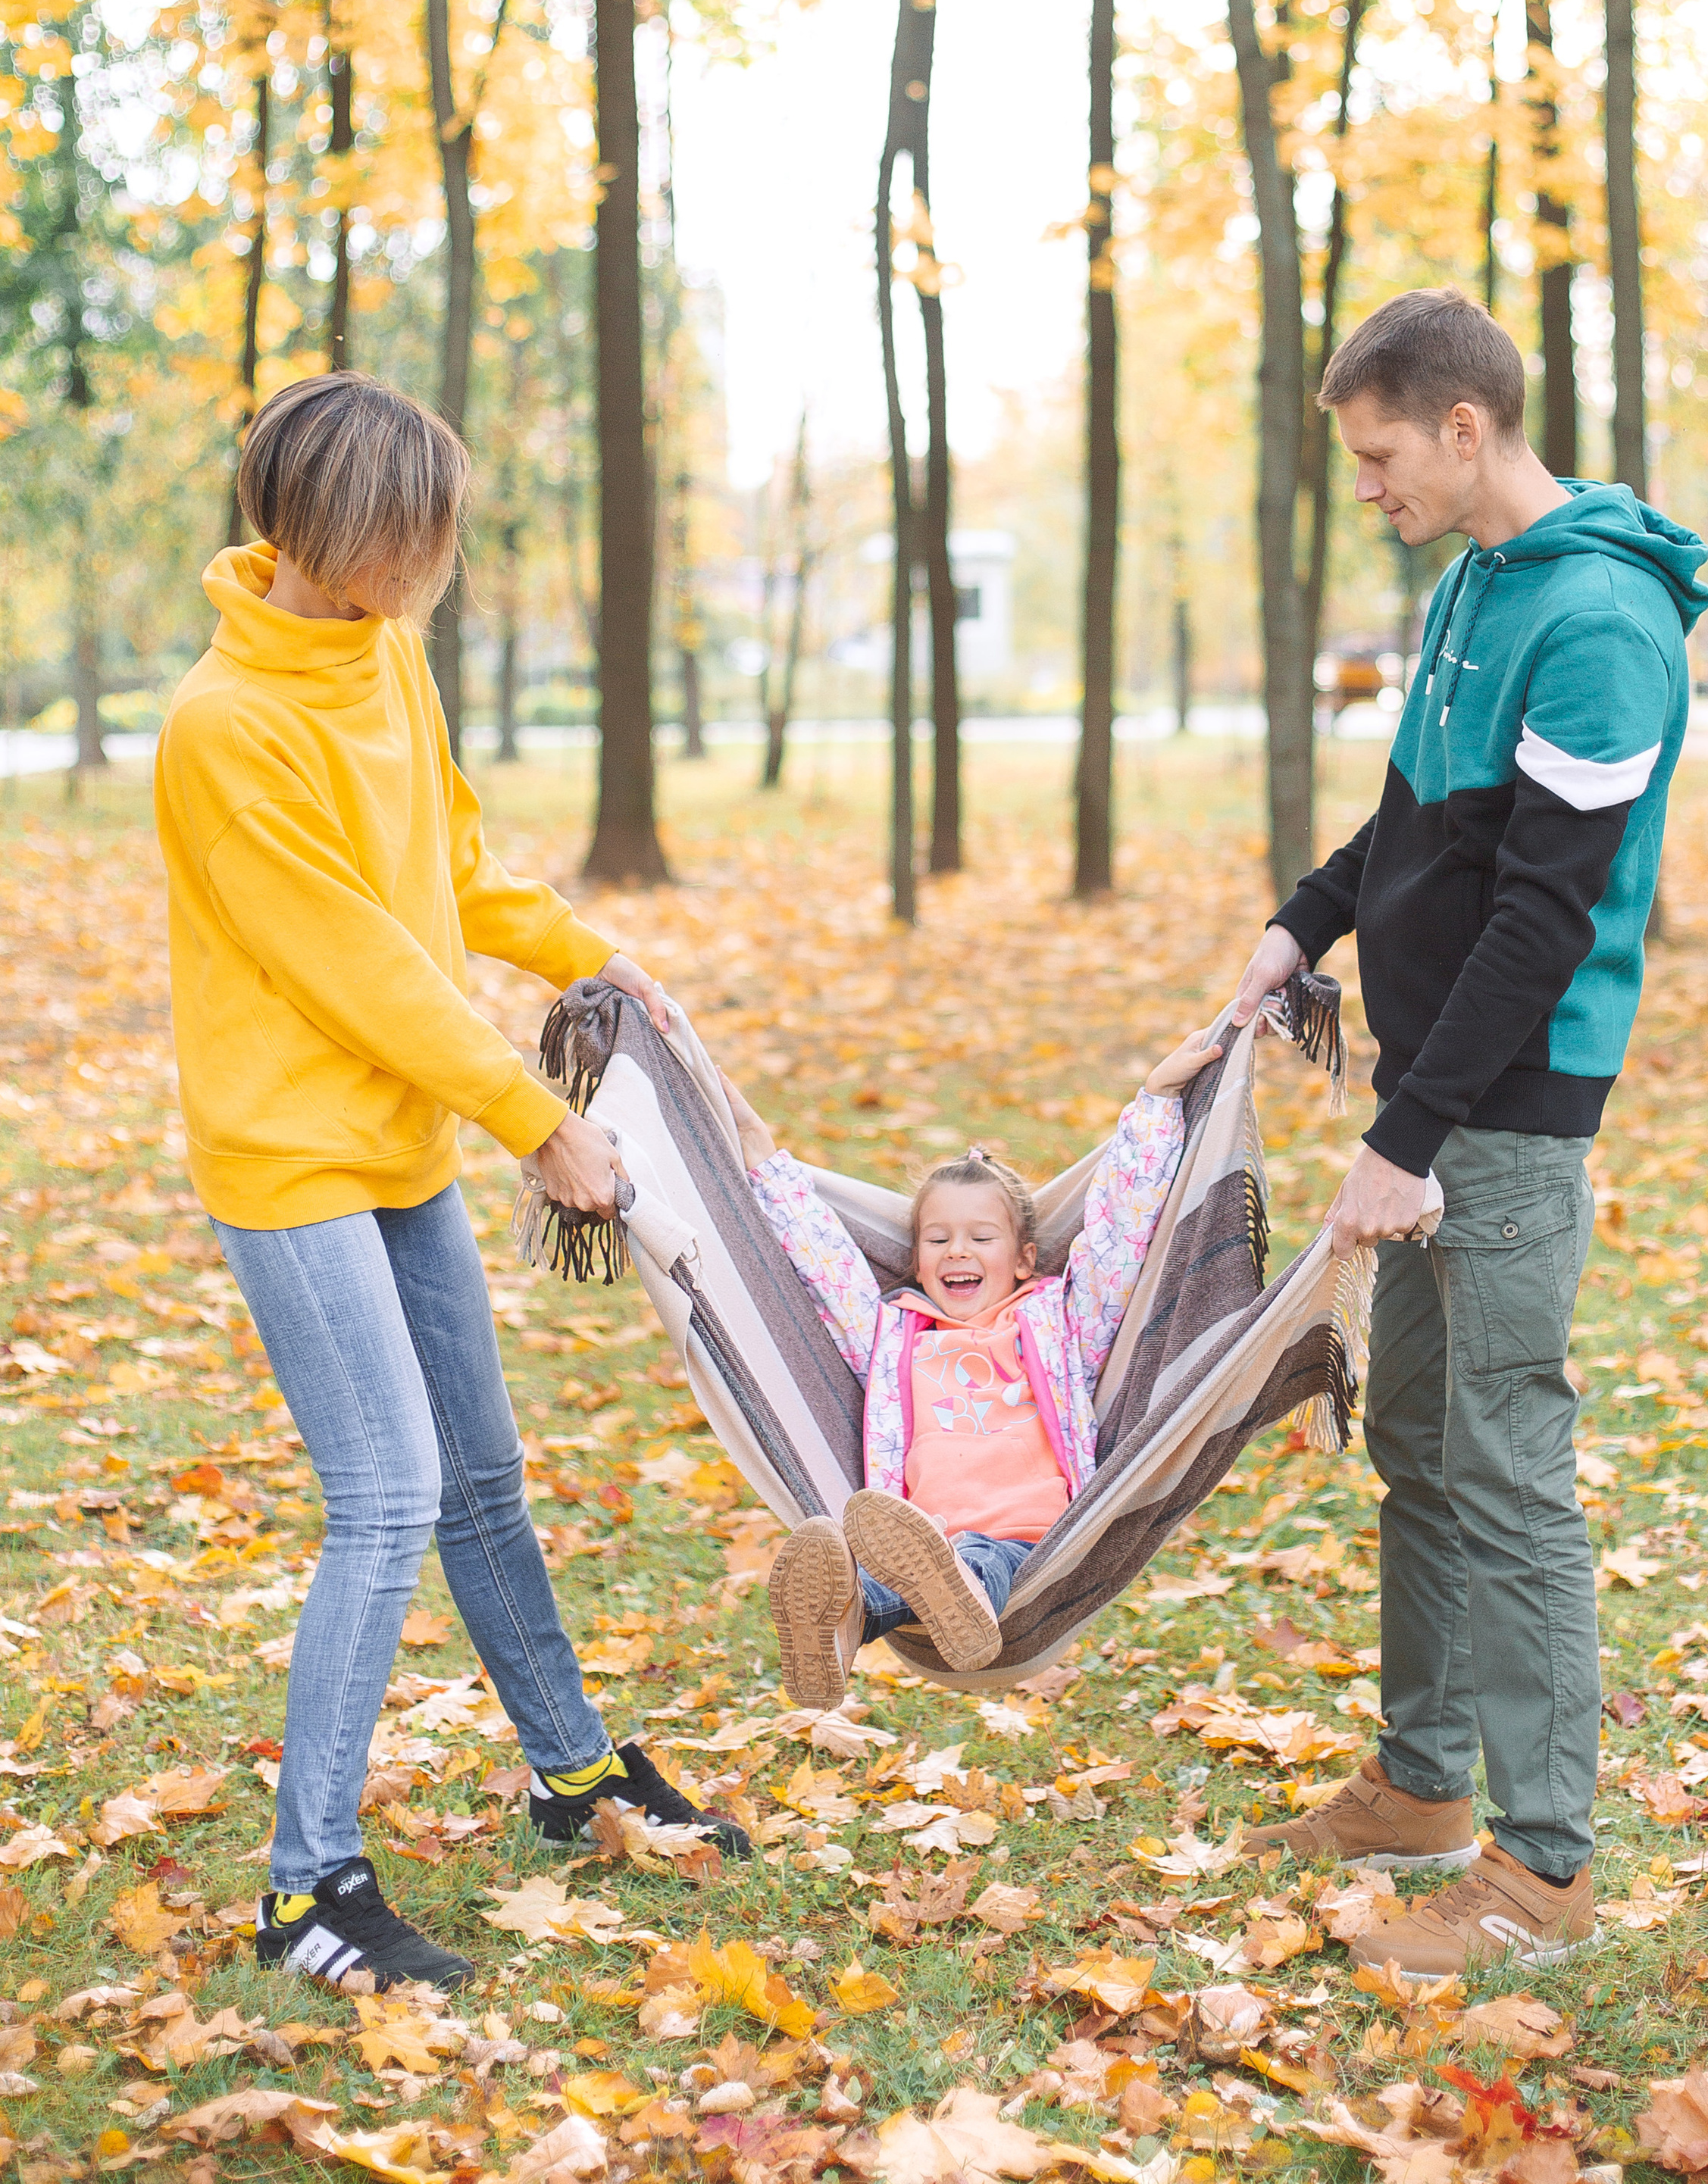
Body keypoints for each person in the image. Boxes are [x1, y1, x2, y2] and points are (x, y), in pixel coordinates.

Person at [155, 371, 747, 1999]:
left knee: (483, 1471)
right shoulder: (227, 729)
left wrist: (587, 950)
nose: (443, 559)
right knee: (390, 1495)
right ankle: (306, 1893)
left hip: (397, 1134)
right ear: (344, 535)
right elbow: (360, 968)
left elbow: (448, 866)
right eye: (421, 533)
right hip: (292, 1158)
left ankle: (570, 1774)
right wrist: (532, 1121)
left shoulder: (382, 654)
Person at [1228, 289, 1707, 1980]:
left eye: (1377, 457)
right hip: (1424, 1102)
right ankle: (1424, 1786)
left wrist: (1410, 1135)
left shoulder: (1595, 624)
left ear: (1459, 427)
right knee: (1417, 1446)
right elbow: (1415, 825)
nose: (1365, 488)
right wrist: (1299, 929)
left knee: (1502, 1475)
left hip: (1496, 1118)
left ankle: (1543, 1872)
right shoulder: (1466, 590)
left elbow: (1541, 918)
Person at [717, 1030, 1226, 1705]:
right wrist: (752, 1140)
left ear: (1022, 1259)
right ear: (916, 1259)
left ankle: (954, 1603)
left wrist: (1158, 1102)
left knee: (976, 1566)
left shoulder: (1057, 1324)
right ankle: (838, 1628)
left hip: (1031, 1544)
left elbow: (1119, 1239)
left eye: (980, 1238)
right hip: (916, 1540)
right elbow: (823, 1259)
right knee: (884, 1578)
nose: (958, 1251)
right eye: (937, 1239)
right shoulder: (894, 1338)